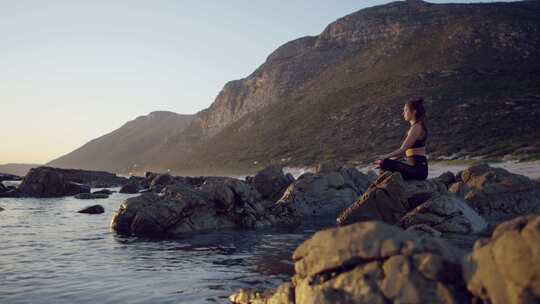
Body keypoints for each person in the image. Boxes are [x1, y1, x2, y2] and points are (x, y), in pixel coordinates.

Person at [373, 97, 429, 180]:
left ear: (414, 112)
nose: (403, 113)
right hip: (416, 168)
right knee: (385, 163)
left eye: (406, 110)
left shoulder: (417, 127)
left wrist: (384, 157)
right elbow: (404, 153)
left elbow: (403, 149)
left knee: (385, 163)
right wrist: (387, 160)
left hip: (418, 170)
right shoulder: (415, 127)